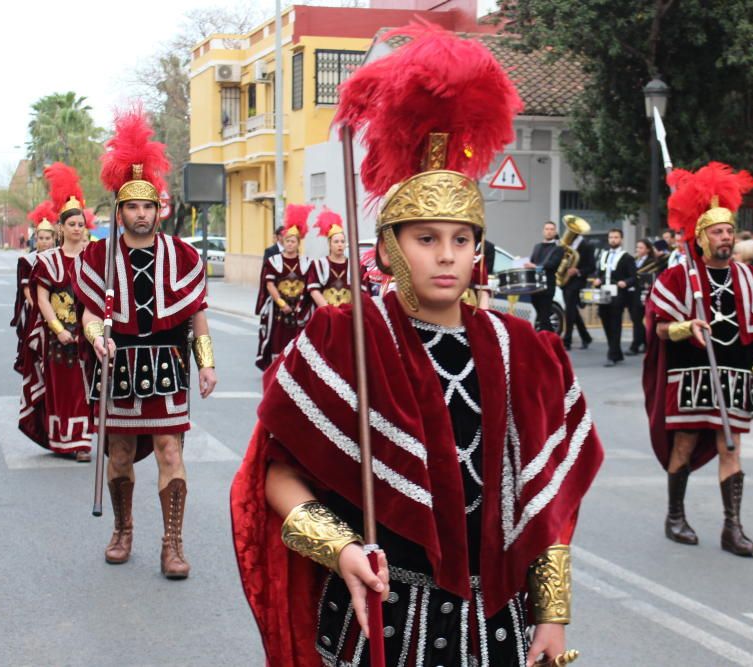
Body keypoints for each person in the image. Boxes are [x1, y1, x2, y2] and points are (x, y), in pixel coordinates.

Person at [230, 25, 603, 667]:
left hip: (499, 630)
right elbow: (277, 478)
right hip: (383, 620)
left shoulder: (527, 349)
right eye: (426, 238)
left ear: (478, 250)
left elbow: (548, 505)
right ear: (390, 249)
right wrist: (342, 550)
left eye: (461, 240)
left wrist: (554, 613)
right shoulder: (342, 339)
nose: (446, 256)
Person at [75, 108, 217, 578]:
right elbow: (91, 314)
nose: (140, 214)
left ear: (160, 210)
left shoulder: (184, 255)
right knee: (117, 453)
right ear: (120, 211)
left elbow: (196, 314)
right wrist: (97, 339)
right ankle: (122, 530)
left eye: (148, 206)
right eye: (132, 207)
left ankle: (172, 544)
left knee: (169, 451)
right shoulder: (99, 255)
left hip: (165, 364)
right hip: (115, 365)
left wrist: (206, 364)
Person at [644, 162, 753, 557]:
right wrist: (688, 327)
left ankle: (731, 528)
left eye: (729, 231)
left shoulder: (752, 278)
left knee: (731, 447)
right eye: (717, 231)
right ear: (701, 236)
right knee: (683, 444)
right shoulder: (679, 277)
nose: (725, 237)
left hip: (736, 374)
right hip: (688, 374)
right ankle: (675, 517)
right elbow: (659, 328)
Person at [20, 165, 95, 461]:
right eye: (72, 224)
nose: (77, 228)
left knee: (84, 388)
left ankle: (81, 443)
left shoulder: (94, 259)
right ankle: (60, 439)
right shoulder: (49, 261)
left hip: (87, 334)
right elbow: (42, 297)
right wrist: (58, 329)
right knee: (62, 389)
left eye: (81, 224)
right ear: (61, 228)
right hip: (58, 335)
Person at [255, 204, 314, 371]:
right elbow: (269, 284)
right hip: (279, 310)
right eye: (287, 240)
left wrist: (300, 305)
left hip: (300, 309)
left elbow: (309, 285)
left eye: (293, 241)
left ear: (298, 243)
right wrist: (281, 303)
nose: (289, 244)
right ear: (283, 241)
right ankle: (276, 371)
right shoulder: (274, 261)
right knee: (277, 342)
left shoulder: (306, 262)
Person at [12, 205, 58, 372]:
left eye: (47, 238)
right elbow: (27, 292)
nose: (44, 242)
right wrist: (42, 312)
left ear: (54, 239)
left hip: (57, 312)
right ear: (35, 239)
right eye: (41, 238)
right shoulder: (28, 260)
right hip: (35, 312)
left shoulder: (59, 257)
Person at [592, 228, 636, 367]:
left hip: (618, 294)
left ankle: (612, 355)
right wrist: (597, 279)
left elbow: (634, 277)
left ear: (621, 239)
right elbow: (599, 272)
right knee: (605, 321)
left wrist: (625, 282)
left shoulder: (627, 257)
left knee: (615, 324)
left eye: (616, 237)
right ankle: (617, 352)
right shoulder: (603, 255)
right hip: (604, 293)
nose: (613, 240)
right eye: (611, 237)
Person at [627, 238, 666, 355]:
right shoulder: (635, 260)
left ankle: (636, 345)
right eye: (637, 247)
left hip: (645, 292)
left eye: (641, 247)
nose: (638, 250)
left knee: (642, 319)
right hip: (635, 293)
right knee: (636, 319)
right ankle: (644, 342)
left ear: (648, 249)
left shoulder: (652, 261)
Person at [308, 207, 353, 309]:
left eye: (342, 241)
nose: (340, 245)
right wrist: (329, 310)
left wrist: (349, 310)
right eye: (336, 242)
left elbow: (361, 292)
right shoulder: (318, 265)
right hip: (327, 313)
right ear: (329, 243)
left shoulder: (353, 265)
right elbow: (314, 290)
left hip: (349, 314)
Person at [525, 221, 563, 332]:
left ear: (555, 232)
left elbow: (552, 265)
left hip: (547, 286)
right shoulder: (537, 246)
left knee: (545, 314)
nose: (549, 231)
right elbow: (532, 261)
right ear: (543, 231)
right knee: (542, 316)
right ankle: (551, 337)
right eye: (547, 229)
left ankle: (545, 340)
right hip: (535, 286)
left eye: (551, 229)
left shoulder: (558, 248)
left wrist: (535, 266)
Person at [560, 233, 595, 350]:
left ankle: (567, 341)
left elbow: (592, 267)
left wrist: (578, 271)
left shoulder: (587, 245)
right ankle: (586, 337)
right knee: (572, 310)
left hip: (578, 282)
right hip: (566, 281)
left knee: (569, 310)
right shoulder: (566, 244)